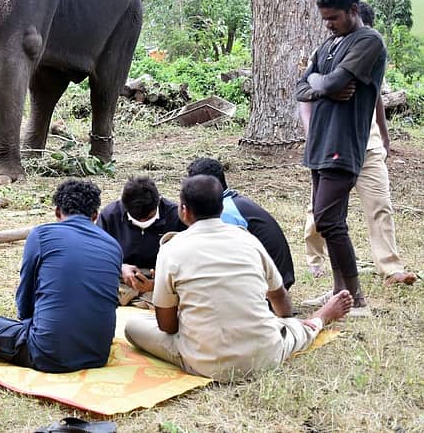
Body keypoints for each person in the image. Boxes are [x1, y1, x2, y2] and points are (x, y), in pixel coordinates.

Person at [124, 175, 353, 382]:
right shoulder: (248, 240)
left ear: (183, 210)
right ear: (221, 207)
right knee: (294, 331)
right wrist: (284, 322)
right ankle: (318, 320)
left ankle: (303, 323)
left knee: (133, 327)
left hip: (203, 362)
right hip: (266, 355)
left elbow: (167, 325)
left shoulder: (171, 249)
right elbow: (280, 297)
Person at [0, 179, 122, 373]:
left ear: (57, 212)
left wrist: (32, 325)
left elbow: (25, 299)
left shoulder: (41, 235)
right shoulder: (113, 245)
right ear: (95, 215)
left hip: (48, 355)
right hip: (97, 355)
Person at [301, 2, 416, 288]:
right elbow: (305, 91)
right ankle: (317, 262)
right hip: (329, 143)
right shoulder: (328, 52)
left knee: (379, 205)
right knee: (321, 213)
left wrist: (384, 136)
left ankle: (390, 269)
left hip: (367, 144)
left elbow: (373, 97)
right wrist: (312, 131)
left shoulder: (368, 50)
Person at [294, 0, 388, 314]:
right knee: (331, 219)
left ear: (352, 11)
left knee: (327, 218)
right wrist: (324, 86)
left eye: (333, 18)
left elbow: (327, 82)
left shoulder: (368, 41)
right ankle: (339, 293)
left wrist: (322, 83)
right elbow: (301, 86)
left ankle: (356, 297)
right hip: (320, 141)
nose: (328, 24)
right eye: (324, 19)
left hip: (344, 142)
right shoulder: (331, 43)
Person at [186, 157, 295, 289]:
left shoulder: (225, 212)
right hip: (275, 279)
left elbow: (221, 258)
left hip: (268, 288)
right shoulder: (232, 202)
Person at [97, 176, 186, 307]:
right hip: (120, 281)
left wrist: (157, 284)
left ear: (158, 202)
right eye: (136, 218)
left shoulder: (176, 216)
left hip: (163, 282)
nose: (143, 222)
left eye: (148, 217)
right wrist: (120, 267)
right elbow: (98, 255)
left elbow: (188, 262)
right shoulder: (110, 215)